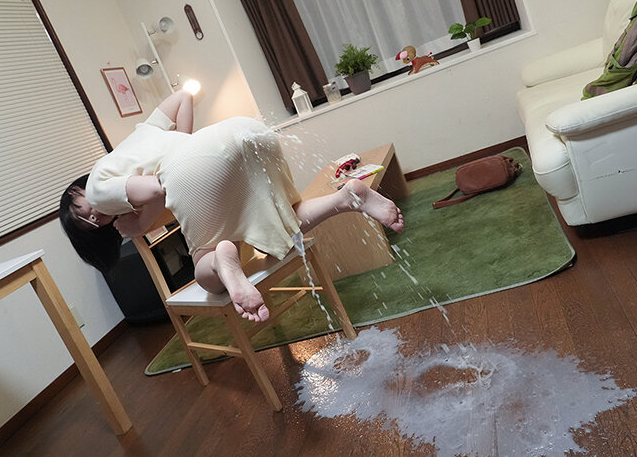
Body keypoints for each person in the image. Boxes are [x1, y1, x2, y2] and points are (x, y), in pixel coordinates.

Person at [60, 90, 404, 323]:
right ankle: (347, 198)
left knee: (206, 273)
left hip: (193, 165)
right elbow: (182, 97)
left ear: (80, 189)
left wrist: (139, 226)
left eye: (83, 210)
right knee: (283, 222)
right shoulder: (140, 136)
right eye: (91, 223)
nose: (94, 214)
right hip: (245, 131)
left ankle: (221, 260)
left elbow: (158, 187)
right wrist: (187, 145)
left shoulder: (98, 188)